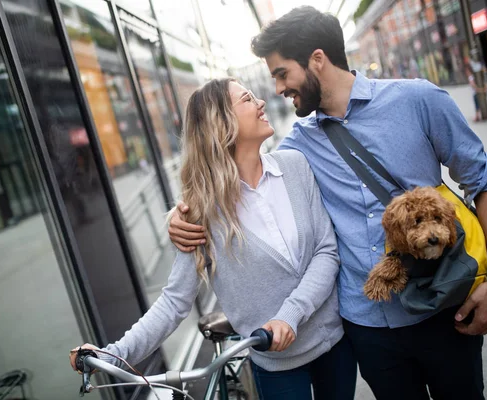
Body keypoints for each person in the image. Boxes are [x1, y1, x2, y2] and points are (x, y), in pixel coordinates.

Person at [168, 7, 487, 400]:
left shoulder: (419, 100)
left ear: (317, 59)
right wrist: (181, 216)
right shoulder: (296, 147)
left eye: (282, 73)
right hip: (368, 327)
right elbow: (235, 172)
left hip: (443, 305)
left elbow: (484, 181)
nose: (278, 89)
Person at [69, 78, 357, 400]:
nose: (261, 102)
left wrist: (289, 315)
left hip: (336, 346)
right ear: (223, 124)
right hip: (277, 367)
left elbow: (326, 252)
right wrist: (110, 354)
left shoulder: (295, 166)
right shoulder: (201, 215)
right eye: (247, 99)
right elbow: (174, 303)